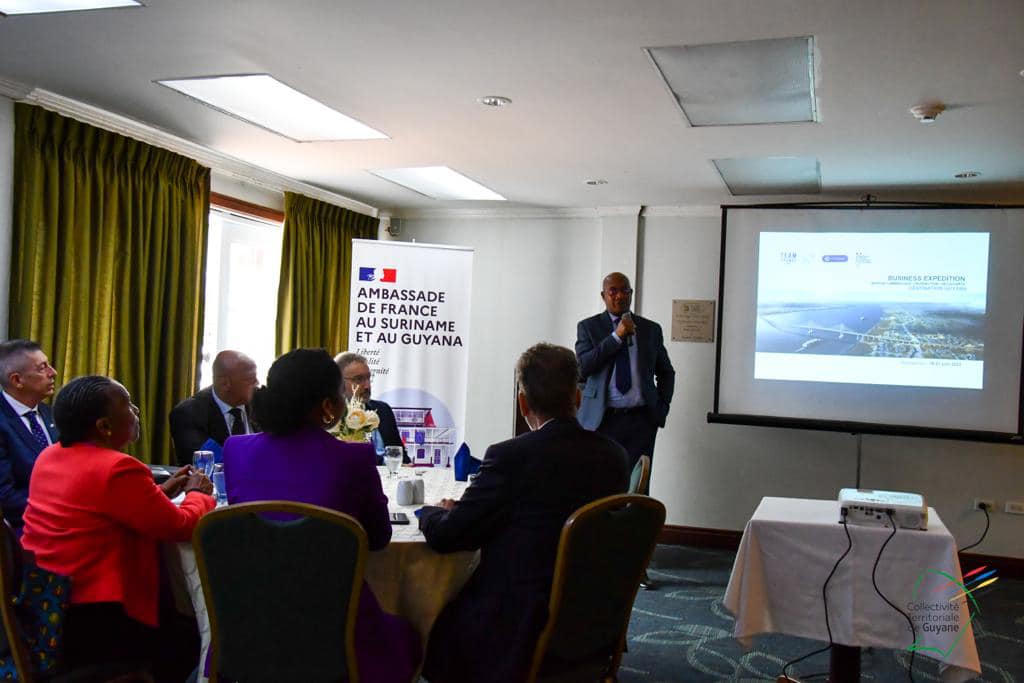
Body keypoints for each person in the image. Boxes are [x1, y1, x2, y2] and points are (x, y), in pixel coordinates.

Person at [419, 343, 628, 683]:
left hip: (519, 625)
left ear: (523, 403)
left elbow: (448, 536)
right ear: (577, 398)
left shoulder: (510, 457)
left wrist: (429, 512)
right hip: (594, 614)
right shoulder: (615, 456)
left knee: (432, 625)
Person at [223, 348, 420, 683]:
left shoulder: (235, 451)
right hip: (337, 632)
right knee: (411, 633)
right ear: (328, 406)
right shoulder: (354, 459)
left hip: (252, 628)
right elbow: (378, 539)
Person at [21, 375, 215, 681]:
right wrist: (198, 494)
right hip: (99, 614)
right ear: (104, 426)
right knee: (188, 637)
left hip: (50, 599)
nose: (136, 411)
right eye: (127, 405)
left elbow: (102, 508)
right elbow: (179, 526)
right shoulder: (118, 468)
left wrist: (159, 492)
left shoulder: (50, 455)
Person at [575, 271, 675, 489]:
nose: (619, 296)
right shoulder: (588, 327)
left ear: (631, 294)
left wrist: (661, 408)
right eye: (613, 291)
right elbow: (582, 368)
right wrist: (616, 337)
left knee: (638, 486)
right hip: (602, 420)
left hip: (641, 420)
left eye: (624, 291)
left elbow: (666, 372)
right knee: (600, 484)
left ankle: (634, 514)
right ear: (603, 296)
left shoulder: (650, 329)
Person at [0, 339, 58, 530]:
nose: (53, 373)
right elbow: (6, 497)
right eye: (43, 368)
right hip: (26, 529)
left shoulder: (53, 414)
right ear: (17, 380)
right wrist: (61, 510)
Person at [169, 350, 259, 465]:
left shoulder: (262, 405)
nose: (257, 383)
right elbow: (210, 462)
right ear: (225, 383)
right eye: (249, 379)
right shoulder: (187, 414)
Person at [334, 351, 407, 463]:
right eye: (358, 379)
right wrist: (384, 461)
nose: (367, 386)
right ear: (339, 382)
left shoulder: (383, 410)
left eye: (368, 378)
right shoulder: (331, 416)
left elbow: (399, 454)